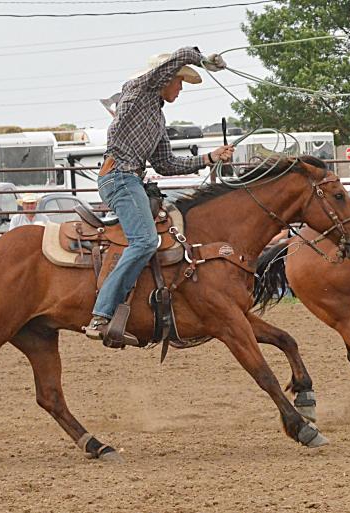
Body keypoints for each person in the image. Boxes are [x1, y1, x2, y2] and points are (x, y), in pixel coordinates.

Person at [84, 47, 234, 345]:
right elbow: (178, 57)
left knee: (157, 235)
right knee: (144, 241)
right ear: (166, 77)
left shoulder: (156, 118)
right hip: (120, 177)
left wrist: (210, 158)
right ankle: (101, 314)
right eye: (179, 82)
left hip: (129, 179)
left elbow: (166, 164)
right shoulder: (139, 91)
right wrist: (201, 59)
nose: (180, 88)